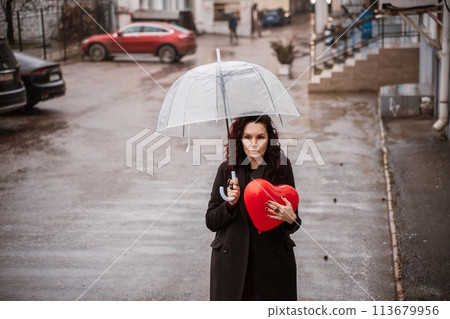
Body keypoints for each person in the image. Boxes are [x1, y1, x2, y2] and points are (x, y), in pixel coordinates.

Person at [206, 115, 301, 301]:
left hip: (271, 266)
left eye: (261, 137)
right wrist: (230, 205)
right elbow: (210, 220)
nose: (254, 144)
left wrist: (290, 218)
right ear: (239, 139)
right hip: (231, 265)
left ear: (269, 139)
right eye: (248, 137)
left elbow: (294, 223)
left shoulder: (282, 168)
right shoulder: (226, 170)